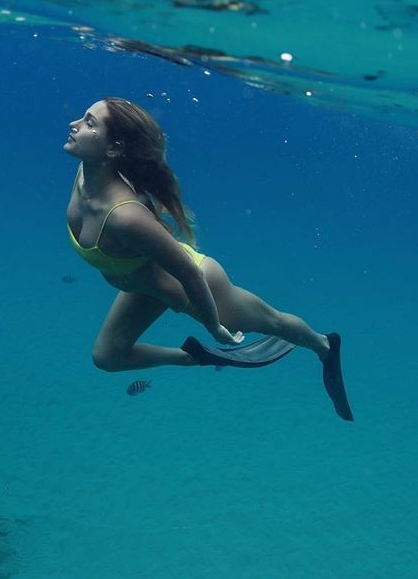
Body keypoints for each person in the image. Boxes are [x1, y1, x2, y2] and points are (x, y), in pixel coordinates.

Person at [64, 97, 353, 421]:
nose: (74, 124)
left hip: (196, 287)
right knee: (107, 356)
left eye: (90, 123)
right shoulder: (85, 175)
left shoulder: (124, 217)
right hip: (144, 287)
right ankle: (192, 357)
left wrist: (214, 326)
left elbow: (188, 273)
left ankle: (323, 346)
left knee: (272, 321)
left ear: (113, 148)